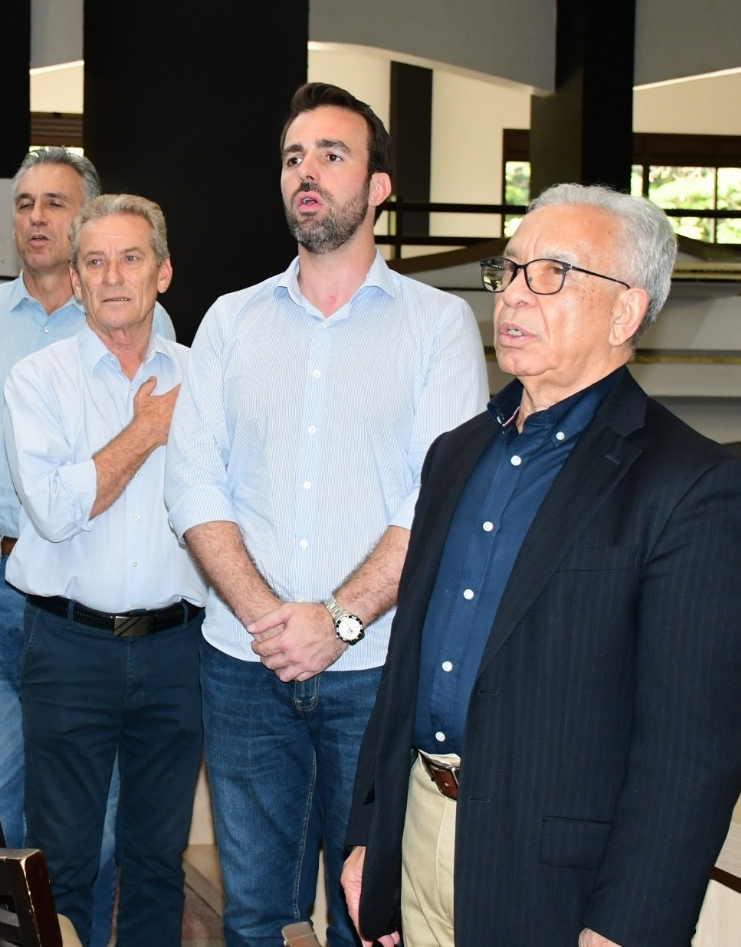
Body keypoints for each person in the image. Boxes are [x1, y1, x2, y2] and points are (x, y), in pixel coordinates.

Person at [341, 183, 741, 947]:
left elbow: (691, 750)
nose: (514, 298)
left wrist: (626, 925)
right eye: (510, 271)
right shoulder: (456, 454)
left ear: (626, 311)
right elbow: (406, 668)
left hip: (556, 876)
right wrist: (372, 835)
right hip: (421, 830)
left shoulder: (692, 487)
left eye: (554, 274)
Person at [165, 82, 487, 947]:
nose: (306, 172)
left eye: (332, 155)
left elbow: (439, 498)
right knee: (258, 920)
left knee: (368, 918)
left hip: (377, 675)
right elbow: (193, 486)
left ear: (380, 186)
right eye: (293, 157)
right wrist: (274, 621)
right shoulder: (230, 322)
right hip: (244, 668)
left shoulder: (439, 326)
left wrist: (337, 622)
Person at [0, 147, 161, 941]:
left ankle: (73, 931)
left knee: (89, 801)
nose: (35, 218)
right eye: (24, 203)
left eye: (55, 203)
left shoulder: (135, 327)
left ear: (88, 216)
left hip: (87, 587)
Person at [6, 194, 204, 946]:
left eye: (131, 258)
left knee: (158, 860)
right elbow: (56, 510)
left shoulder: (204, 378)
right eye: (94, 262)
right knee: (65, 863)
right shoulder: (37, 380)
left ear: (163, 273)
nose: (112, 276)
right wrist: (148, 430)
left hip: (178, 649)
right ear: (77, 281)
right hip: (68, 649)